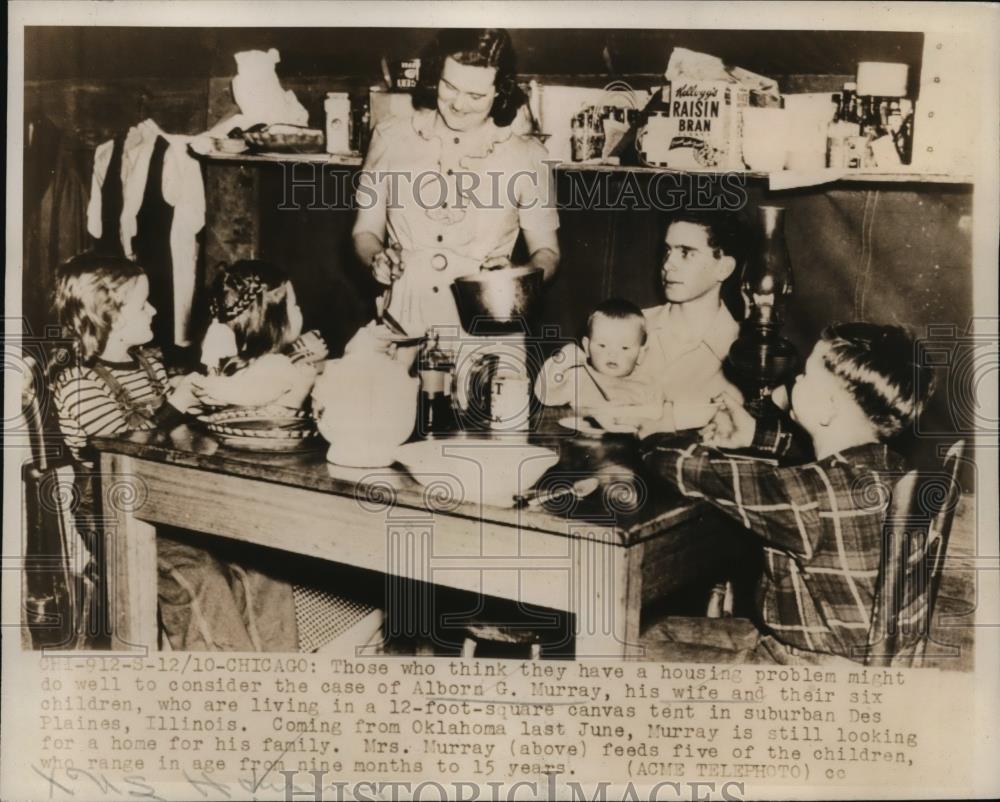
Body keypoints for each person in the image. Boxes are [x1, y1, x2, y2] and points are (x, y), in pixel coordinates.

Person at [639, 322, 937, 664]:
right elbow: (806, 454)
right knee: (660, 631)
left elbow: (693, 470)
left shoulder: (810, 494)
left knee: (635, 648)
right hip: (864, 655)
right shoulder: (889, 465)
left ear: (827, 407)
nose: (796, 380)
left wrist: (655, 434)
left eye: (807, 376)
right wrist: (754, 435)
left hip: (808, 669)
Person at [52, 253, 296, 651]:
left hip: (173, 508)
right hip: (121, 520)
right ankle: (224, 692)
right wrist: (175, 407)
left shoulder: (150, 363)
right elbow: (121, 453)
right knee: (199, 579)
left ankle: (281, 678)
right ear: (107, 316)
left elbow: (176, 432)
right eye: (142, 304)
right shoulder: (79, 382)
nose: (154, 310)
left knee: (265, 566)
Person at [349, 28, 560, 348]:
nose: (459, 104)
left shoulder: (527, 156)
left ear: (500, 92)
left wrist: (518, 273)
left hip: (487, 330)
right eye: (449, 87)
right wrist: (376, 257)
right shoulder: (390, 137)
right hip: (402, 326)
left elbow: (548, 252)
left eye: (476, 96)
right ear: (436, 75)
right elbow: (364, 232)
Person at [599, 210, 746, 434]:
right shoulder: (628, 324)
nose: (668, 265)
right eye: (668, 251)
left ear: (723, 268)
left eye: (686, 253)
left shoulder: (746, 352)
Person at [193, 259, 328, 408]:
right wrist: (303, 379)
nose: (299, 311)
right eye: (294, 306)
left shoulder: (239, 362)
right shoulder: (275, 365)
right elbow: (271, 413)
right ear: (274, 321)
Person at [534, 297, 662, 411]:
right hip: (580, 435)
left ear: (641, 354)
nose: (612, 354)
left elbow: (658, 412)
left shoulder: (645, 383)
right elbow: (546, 395)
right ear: (587, 346)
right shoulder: (580, 377)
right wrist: (560, 363)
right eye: (602, 345)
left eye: (624, 348)